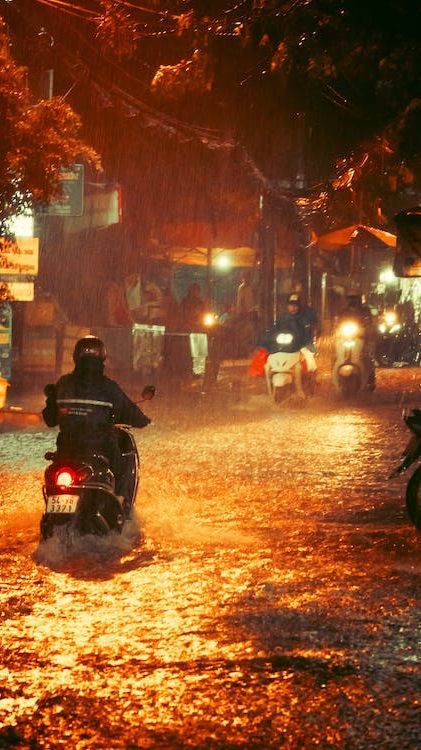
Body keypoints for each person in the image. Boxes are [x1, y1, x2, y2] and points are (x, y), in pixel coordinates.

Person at [42, 336, 151, 493]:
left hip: (67, 451)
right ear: (102, 358)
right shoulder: (109, 388)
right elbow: (131, 413)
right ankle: (121, 502)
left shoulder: (64, 384)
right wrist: (143, 420)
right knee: (123, 466)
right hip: (100, 449)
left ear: (76, 357)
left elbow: (49, 419)